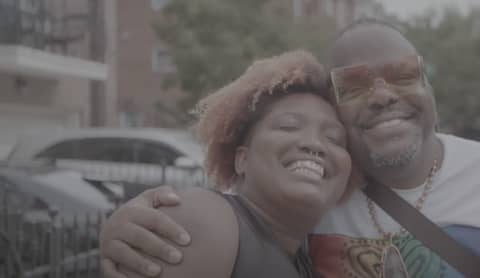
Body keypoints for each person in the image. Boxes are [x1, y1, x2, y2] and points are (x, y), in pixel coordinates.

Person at [100, 19, 480, 278]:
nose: (382, 95)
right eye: (354, 86)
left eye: (402, 75)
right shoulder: (317, 198)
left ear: (428, 86)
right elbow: (224, 217)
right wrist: (125, 226)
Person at [100, 50, 353, 278]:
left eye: (333, 138)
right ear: (241, 159)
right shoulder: (206, 221)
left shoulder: (311, 254)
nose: (314, 144)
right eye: (289, 126)